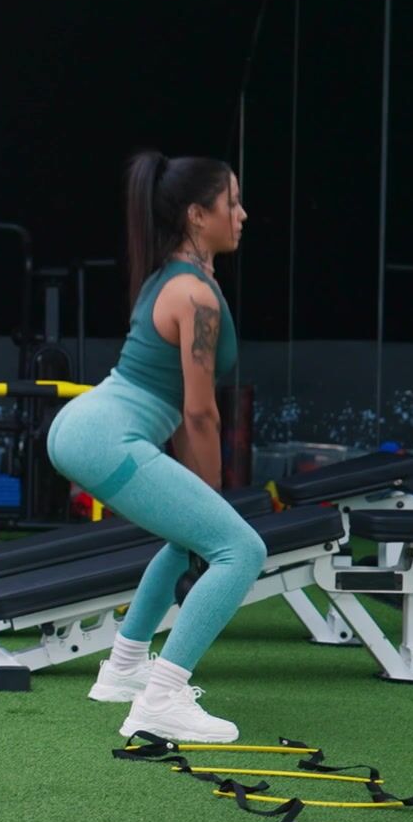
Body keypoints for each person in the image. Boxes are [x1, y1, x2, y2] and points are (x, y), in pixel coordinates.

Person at [46, 151, 258, 743]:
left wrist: (202, 506)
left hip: (89, 427)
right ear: (197, 214)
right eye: (232, 202)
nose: (242, 214)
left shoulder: (174, 278)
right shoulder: (195, 295)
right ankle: (162, 698)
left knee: (190, 538)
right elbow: (199, 412)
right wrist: (215, 495)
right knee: (240, 549)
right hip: (102, 433)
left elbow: (183, 409)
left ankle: (125, 668)